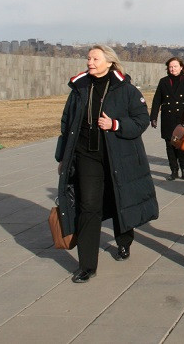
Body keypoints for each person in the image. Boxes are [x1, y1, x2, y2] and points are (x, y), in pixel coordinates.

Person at [55, 45, 159, 283]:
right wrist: (63, 158)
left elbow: (141, 119)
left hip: (117, 156)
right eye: (88, 58)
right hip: (86, 157)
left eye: (95, 58)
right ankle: (87, 266)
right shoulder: (79, 88)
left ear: (110, 62)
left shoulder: (126, 89)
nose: (90, 62)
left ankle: (124, 241)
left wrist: (115, 125)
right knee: (88, 206)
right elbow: (66, 123)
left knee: (117, 198)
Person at [150, 57, 184, 181]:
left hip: (182, 118)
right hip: (168, 118)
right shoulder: (164, 81)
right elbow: (157, 100)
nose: (172, 69)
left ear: (181, 67)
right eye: (170, 67)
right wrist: (153, 117)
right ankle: (174, 170)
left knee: (181, 145)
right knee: (170, 145)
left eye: (175, 66)